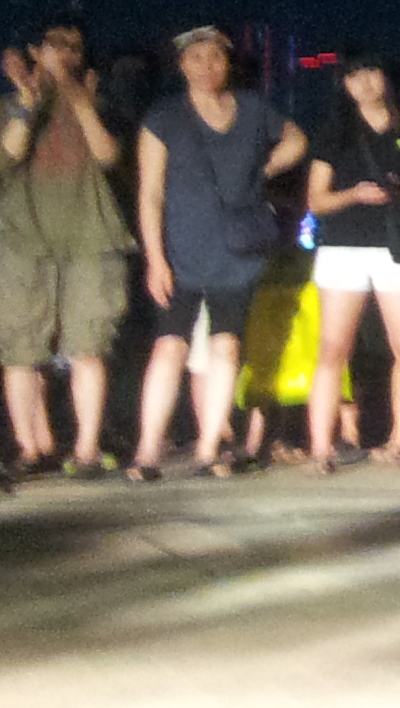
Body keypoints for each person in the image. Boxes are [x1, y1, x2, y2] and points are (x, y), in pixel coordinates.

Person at [127, 26, 307, 480]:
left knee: (227, 345)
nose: (206, 66)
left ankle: (209, 448)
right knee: (170, 346)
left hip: (237, 249)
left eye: (215, 58)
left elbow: (297, 140)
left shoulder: (252, 109)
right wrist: (155, 258)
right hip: (181, 250)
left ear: (228, 63)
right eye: (196, 58)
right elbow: (150, 193)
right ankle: (147, 451)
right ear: (181, 65)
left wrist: (263, 169)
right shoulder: (164, 116)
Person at [0, 17, 134, 477]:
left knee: (88, 343)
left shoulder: (99, 104)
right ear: (35, 51)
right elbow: (5, 157)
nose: (66, 54)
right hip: (20, 239)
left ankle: (87, 448)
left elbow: (108, 155)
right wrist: (28, 103)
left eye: (74, 47)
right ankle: (32, 448)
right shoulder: (3, 106)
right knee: (20, 347)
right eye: (55, 45)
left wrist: (79, 99)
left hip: (90, 235)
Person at [303, 51, 400, 471]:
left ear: (386, 78)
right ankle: (321, 448)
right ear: (344, 86)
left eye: (371, 72)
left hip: (397, 247)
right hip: (343, 247)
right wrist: (355, 194)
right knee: (333, 348)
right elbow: (316, 200)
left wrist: (399, 193)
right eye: (353, 77)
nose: (364, 83)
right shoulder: (334, 132)